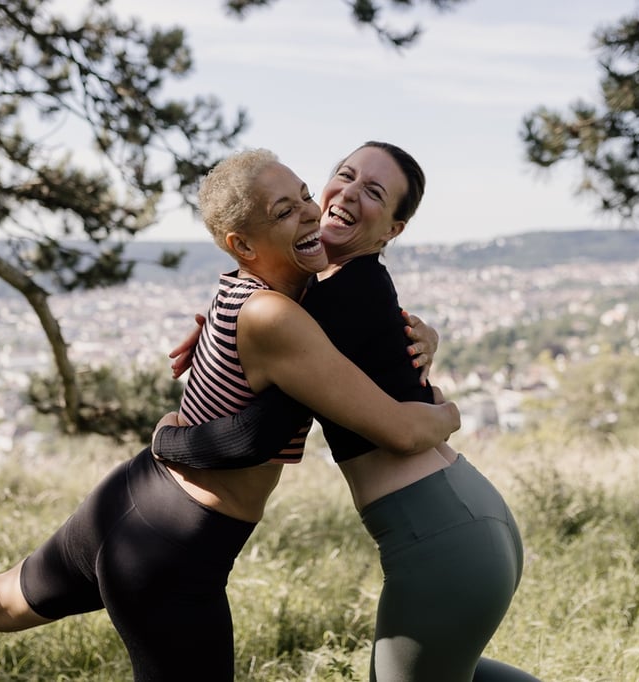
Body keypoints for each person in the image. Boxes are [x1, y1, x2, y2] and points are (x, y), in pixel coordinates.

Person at [0, 149, 461, 681]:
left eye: (305, 193)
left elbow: (342, 320)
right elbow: (386, 425)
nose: (312, 210)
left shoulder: (245, 289)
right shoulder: (279, 316)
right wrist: (445, 414)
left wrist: (418, 331)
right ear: (243, 244)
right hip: (177, 550)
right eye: (286, 209)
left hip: (129, 499)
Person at [154, 142, 540, 681]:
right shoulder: (333, 290)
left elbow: (253, 436)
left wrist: (166, 442)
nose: (350, 194)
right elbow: (284, 306)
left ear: (391, 231)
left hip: (438, 536)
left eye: (375, 192)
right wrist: (226, 326)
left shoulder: (330, 305)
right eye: (346, 175)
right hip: (464, 519)